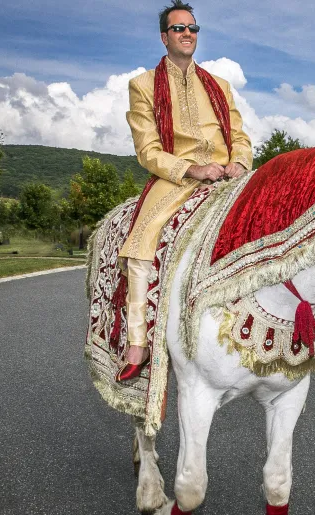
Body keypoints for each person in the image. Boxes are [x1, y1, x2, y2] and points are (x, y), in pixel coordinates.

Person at [116, 0, 253, 381]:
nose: (187, 33)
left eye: (192, 28)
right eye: (178, 28)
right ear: (164, 37)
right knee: (141, 246)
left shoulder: (220, 85)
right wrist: (192, 168)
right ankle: (138, 343)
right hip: (177, 177)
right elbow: (147, 151)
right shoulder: (142, 85)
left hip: (230, 176)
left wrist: (239, 163)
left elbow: (240, 136)